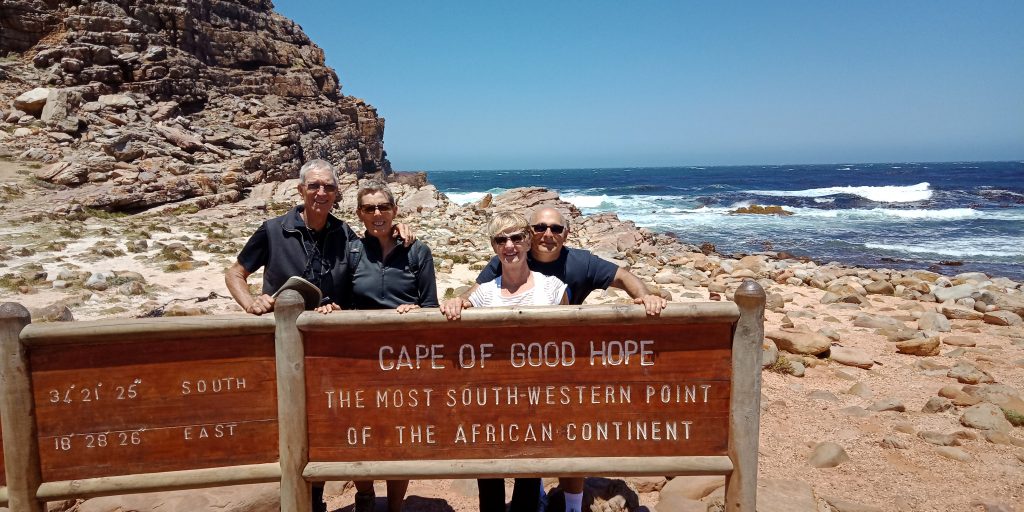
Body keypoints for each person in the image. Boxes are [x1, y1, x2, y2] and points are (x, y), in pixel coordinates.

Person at [446, 211, 567, 512]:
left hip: (537, 401)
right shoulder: (484, 294)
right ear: (494, 246)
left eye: (516, 238)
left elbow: (569, 339)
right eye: (501, 239)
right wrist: (455, 302)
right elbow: (459, 326)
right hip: (491, 402)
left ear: (528, 242)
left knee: (527, 484)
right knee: (489, 484)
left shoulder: (553, 288)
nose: (509, 245)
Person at [341, 181, 440, 512]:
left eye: (383, 207)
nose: (377, 213)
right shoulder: (351, 250)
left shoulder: (417, 251)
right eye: (369, 209)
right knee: (360, 430)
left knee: (402, 435)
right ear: (359, 214)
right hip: (360, 358)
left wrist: (418, 313)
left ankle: (395, 506)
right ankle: (366, 495)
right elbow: (340, 299)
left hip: (405, 359)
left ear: (395, 210)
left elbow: (430, 304)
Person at [440, 206, 667, 320]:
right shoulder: (508, 259)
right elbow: (474, 294)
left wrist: (645, 296)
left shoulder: (580, 262)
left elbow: (623, 277)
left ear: (565, 235)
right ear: (530, 234)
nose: (547, 234)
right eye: (540, 227)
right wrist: (458, 301)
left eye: (556, 229)